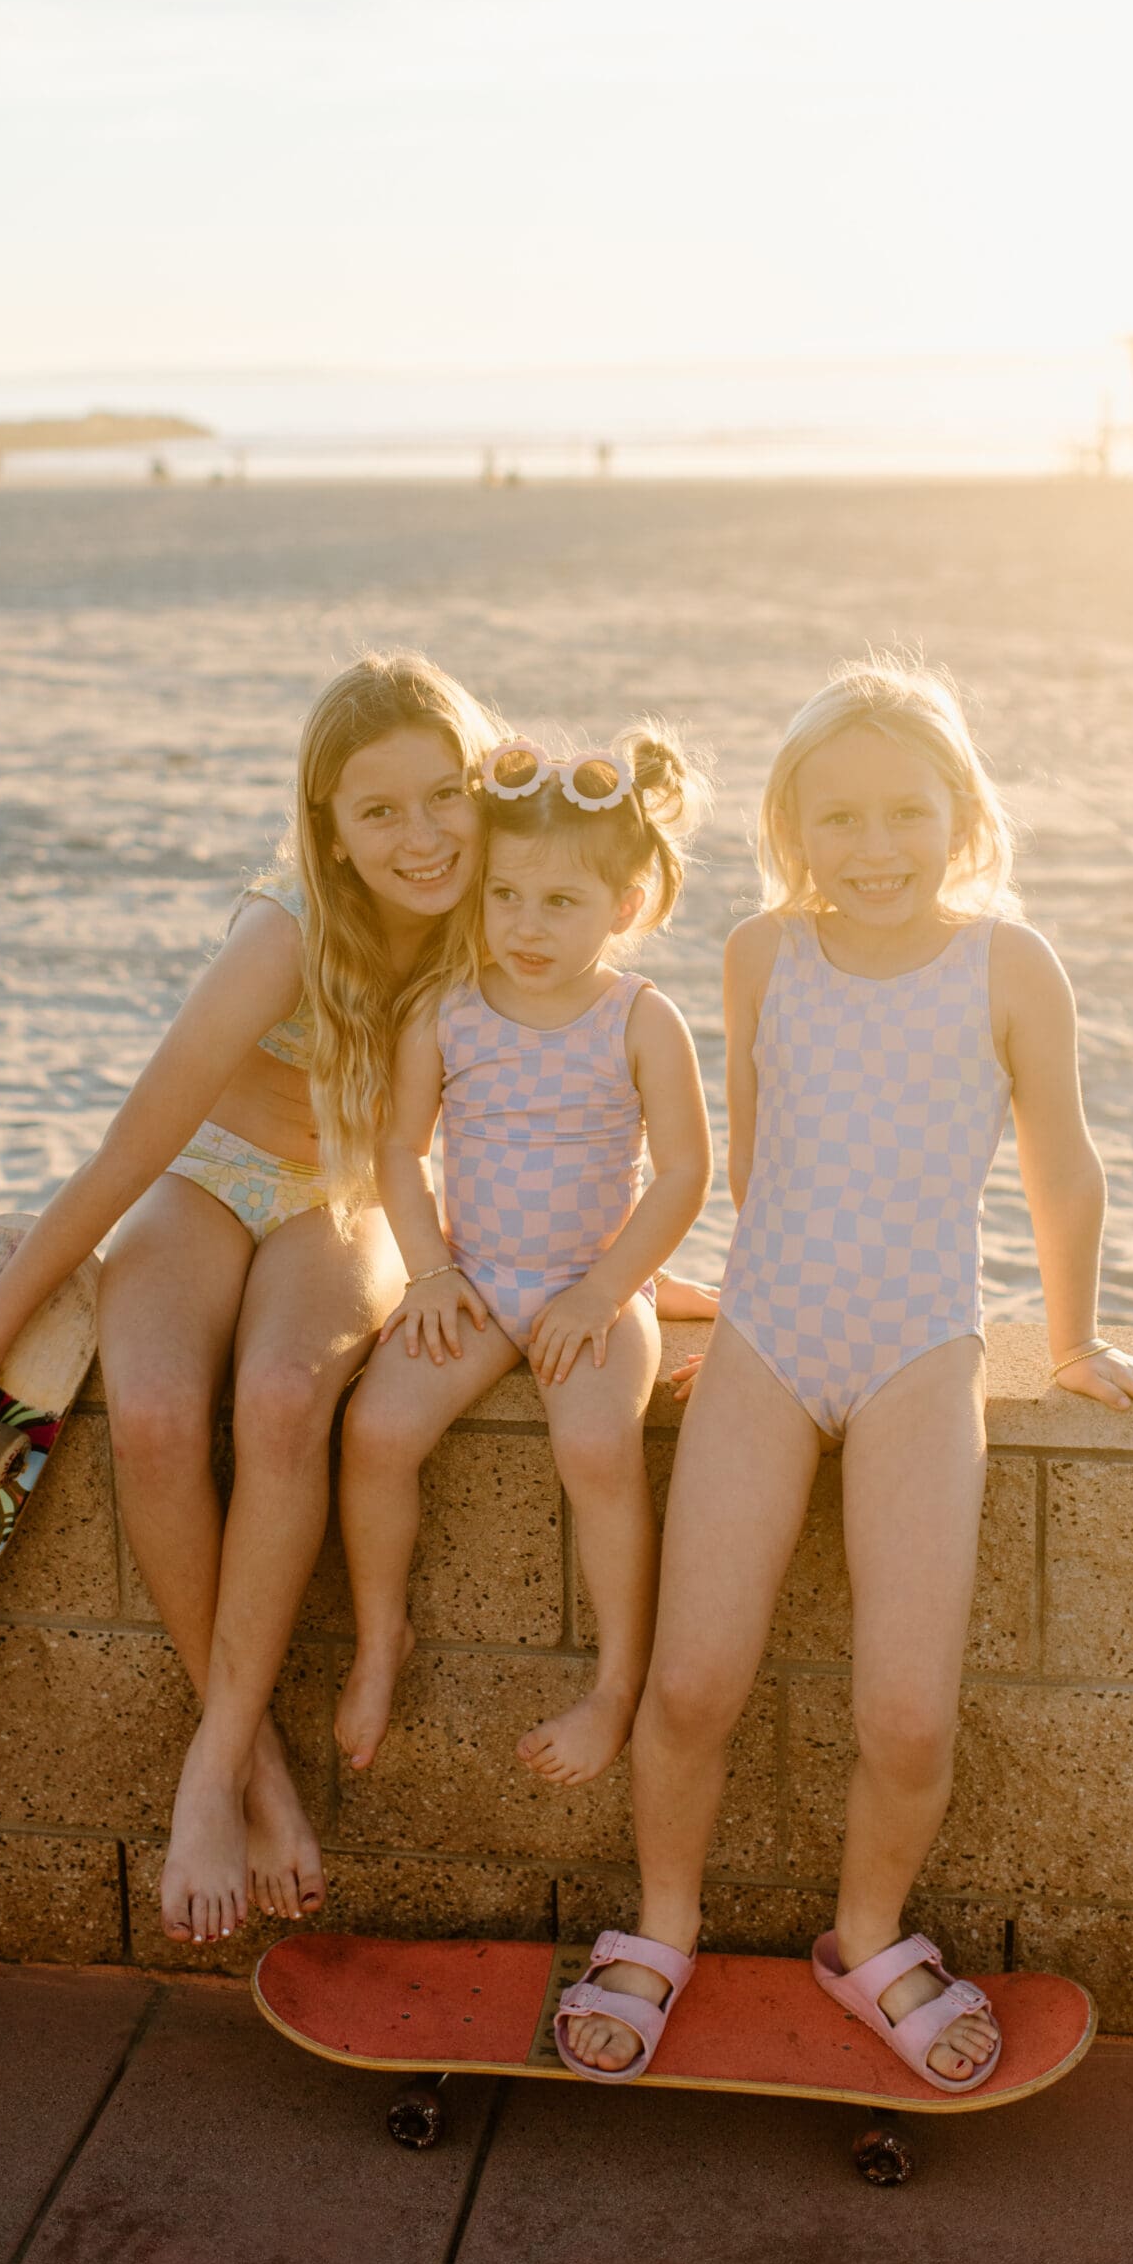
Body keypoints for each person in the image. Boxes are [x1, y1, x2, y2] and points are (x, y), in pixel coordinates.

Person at [555, 654, 1133, 2087]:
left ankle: (865, 1936)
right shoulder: (755, 954)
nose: (870, 850)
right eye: (834, 820)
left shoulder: (1009, 964)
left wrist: (1079, 1334)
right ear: (791, 827)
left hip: (921, 1348)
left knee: (906, 1714)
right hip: (769, 1340)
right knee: (689, 1688)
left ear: (958, 812)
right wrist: (713, 1304)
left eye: (903, 814)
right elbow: (753, 1150)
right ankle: (662, 1926)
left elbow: (1060, 1170)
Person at [0, 652, 501, 1945]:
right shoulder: (287, 929)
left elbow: (562, 1114)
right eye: (380, 813)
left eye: (445, 798)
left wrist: (625, 1271)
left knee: (279, 1398)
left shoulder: (503, 907)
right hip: (204, 1175)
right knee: (151, 1416)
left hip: (342, 1199)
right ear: (328, 826)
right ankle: (245, 1760)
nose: (421, 838)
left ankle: (204, 1767)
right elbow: (133, 1145)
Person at [334, 727, 714, 1787]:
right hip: (477, 1276)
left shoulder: (642, 1019)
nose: (527, 926)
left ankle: (617, 1684)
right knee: (375, 1430)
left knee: (596, 1450)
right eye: (506, 896)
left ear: (625, 907)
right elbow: (400, 1152)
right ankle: (380, 1639)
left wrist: (606, 1290)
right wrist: (428, 1271)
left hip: (594, 1284)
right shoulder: (448, 1012)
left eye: (562, 902)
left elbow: (685, 1173)